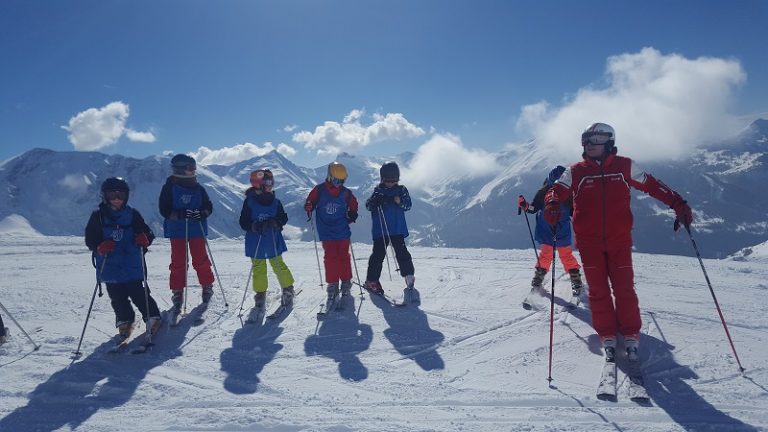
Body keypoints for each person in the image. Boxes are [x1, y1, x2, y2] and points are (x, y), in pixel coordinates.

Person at [543, 122, 693, 360]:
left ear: (608, 141)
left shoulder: (625, 166)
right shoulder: (576, 171)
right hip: (589, 242)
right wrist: (551, 203)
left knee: (624, 289)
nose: (588, 144)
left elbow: (653, 185)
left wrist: (678, 203)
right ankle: (607, 334)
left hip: (619, 240)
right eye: (586, 139)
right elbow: (556, 189)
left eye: (594, 139)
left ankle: (631, 332)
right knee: (599, 290)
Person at [85, 177, 162, 339]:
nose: (117, 199)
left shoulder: (133, 214)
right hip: (110, 265)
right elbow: (90, 239)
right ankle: (124, 319)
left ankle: (152, 316)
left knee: (139, 294)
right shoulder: (97, 217)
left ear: (127, 196)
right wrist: (99, 246)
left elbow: (148, 234)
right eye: (112, 195)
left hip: (131, 264)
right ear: (104, 196)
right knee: (117, 297)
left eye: (120, 195)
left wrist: (145, 239)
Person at [158, 154, 215, 312]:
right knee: (178, 262)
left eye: (194, 168)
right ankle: (177, 291)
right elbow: (164, 209)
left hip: (197, 229)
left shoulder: (198, 188)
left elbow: (208, 206)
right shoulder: (169, 187)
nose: (193, 171)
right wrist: (178, 214)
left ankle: (207, 284)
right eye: (190, 168)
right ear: (180, 169)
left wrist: (202, 213)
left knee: (200, 259)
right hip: (178, 231)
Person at [239, 169, 295, 320]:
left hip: (272, 239)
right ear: (259, 185)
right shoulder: (249, 202)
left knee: (278, 264)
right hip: (256, 240)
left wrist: (276, 222)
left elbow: (283, 218)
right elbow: (243, 222)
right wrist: (254, 226)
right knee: (258, 268)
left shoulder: (275, 202)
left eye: (272, 183)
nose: (271, 186)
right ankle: (260, 295)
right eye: (268, 183)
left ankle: (288, 289)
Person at [518, 165, 583, 296]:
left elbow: (532, 209)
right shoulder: (569, 195)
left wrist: (525, 206)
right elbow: (576, 214)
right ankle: (575, 281)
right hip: (560, 231)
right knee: (563, 256)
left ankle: (538, 280)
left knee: (548, 256)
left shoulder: (544, 193)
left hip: (548, 230)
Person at [304, 162, 359, 303]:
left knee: (344, 256)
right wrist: (309, 206)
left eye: (342, 181)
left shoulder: (346, 193)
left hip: (342, 230)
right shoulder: (320, 190)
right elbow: (310, 201)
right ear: (329, 177)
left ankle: (346, 282)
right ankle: (333, 284)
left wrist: (353, 214)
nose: (339, 184)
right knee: (331, 257)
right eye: (336, 181)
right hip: (326, 231)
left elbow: (354, 204)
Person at [363, 162, 416, 294]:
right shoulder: (378, 191)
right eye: (388, 180)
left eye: (394, 181)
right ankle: (372, 280)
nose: (390, 183)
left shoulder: (401, 190)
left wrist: (400, 202)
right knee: (378, 255)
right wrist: (375, 202)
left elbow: (408, 206)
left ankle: (408, 275)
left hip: (397, 229)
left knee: (402, 252)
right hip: (381, 230)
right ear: (382, 179)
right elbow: (368, 206)